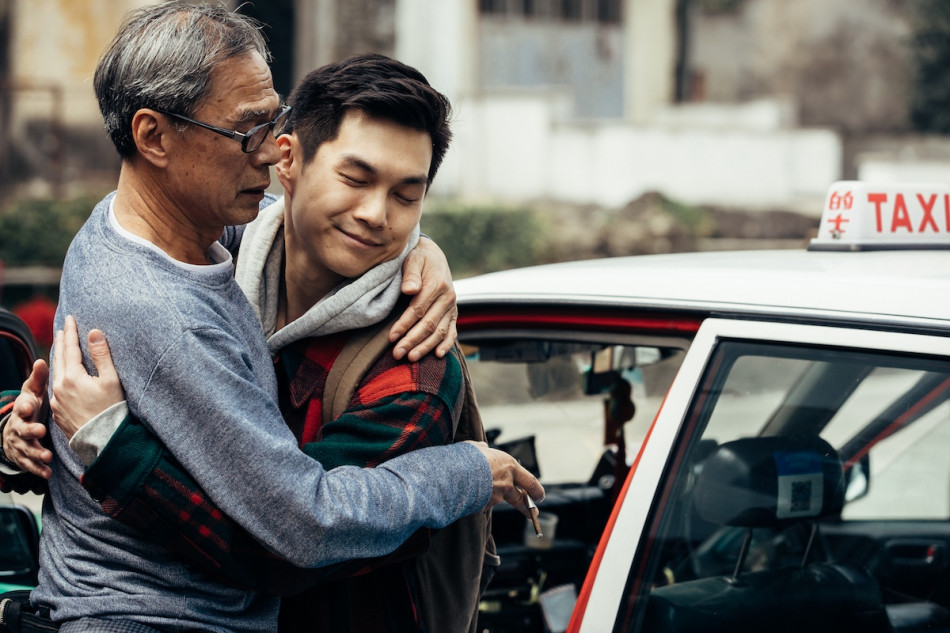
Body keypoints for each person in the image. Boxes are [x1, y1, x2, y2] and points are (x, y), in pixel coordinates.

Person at [0, 4, 542, 633]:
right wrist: (471, 469)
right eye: (248, 132)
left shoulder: (127, 230)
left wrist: (422, 248)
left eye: (406, 195)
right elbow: (301, 528)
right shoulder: (179, 314)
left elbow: (292, 538)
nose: (376, 214)